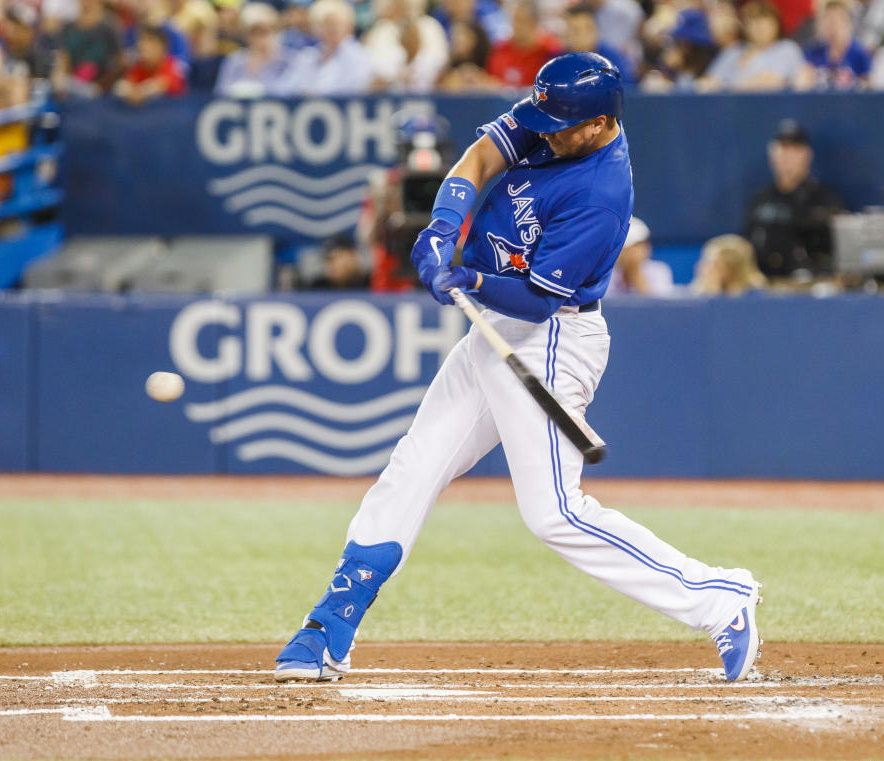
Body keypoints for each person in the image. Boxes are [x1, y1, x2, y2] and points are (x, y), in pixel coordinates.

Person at [273, 52, 762, 685]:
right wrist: (444, 226)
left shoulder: (602, 193)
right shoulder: (557, 113)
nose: (546, 130)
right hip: (495, 327)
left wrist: (468, 275)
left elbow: (536, 297)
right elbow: (478, 160)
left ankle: (720, 599)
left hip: (552, 336)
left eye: (562, 124)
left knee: (555, 512)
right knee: (414, 466)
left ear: (599, 125)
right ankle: (330, 624)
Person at [743, 119, 842, 280]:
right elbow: (746, 244)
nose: (787, 157)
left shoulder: (824, 199)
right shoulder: (761, 198)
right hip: (762, 283)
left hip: (805, 287)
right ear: (772, 155)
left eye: (795, 149)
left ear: (807, 155)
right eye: (783, 149)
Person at [274, 0, 374, 95]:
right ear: (316, 28)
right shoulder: (308, 57)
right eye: (325, 24)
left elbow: (358, 89)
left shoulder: (359, 56)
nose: (331, 29)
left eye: (336, 24)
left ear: (348, 26)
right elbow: (285, 89)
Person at [701, 1, 804, 91]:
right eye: (753, 21)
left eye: (764, 20)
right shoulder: (733, 51)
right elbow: (708, 82)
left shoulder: (787, 49)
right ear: (745, 26)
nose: (759, 26)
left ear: (776, 24)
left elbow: (771, 82)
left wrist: (730, 87)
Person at [215, 2, 292, 96]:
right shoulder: (234, 60)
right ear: (246, 35)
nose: (259, 38)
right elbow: (221, 91)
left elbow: (289, 92)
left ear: (274, 31)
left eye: (264, 32)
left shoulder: (287, 60)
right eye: (254, 33)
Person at [486, 0, 561, 87]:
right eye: (515, 20)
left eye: (523, 21)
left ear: (535, 23)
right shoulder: (501, 50)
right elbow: (490, 80)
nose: (517, 26)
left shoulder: (550, 51)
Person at [798, 0, 871, 90]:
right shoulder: (813, 51)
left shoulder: (859, 53)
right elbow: (802, 83)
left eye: (836, 20)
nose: (832, 26)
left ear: (847, 23)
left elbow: (869, 85)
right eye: (827, 19)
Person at [53, 0, 122, 95]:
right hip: (73, 87)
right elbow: (63, 59)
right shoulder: (68, 27)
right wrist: (59, 79)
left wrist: (103, 85)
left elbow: (119, 61)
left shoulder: (108, 27)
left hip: (102, 89)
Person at [114, 25, 187, 103]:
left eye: (149, 41)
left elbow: (160, 85)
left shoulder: (172, 66)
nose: (141, 45)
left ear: (162, 47)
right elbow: (122, 86)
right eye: (140, 40)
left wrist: (141, 92)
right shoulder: (139, 66)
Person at [606, 217, 674, 296]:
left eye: (639, 245)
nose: (633, 252)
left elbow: (660, 306)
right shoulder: (605, 273)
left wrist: (634, 273)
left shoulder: (659, 271)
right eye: (628, 248)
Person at [691, 234, 768, 295]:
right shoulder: (696, 295)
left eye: (711, 263)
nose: (701, 267)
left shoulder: (756, 297)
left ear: (728, 270)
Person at [305, 236, 371, 289]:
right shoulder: (319, 288)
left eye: (335, 258)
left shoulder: (371, 284)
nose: (330, 265)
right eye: (327, 260)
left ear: (351, 256)